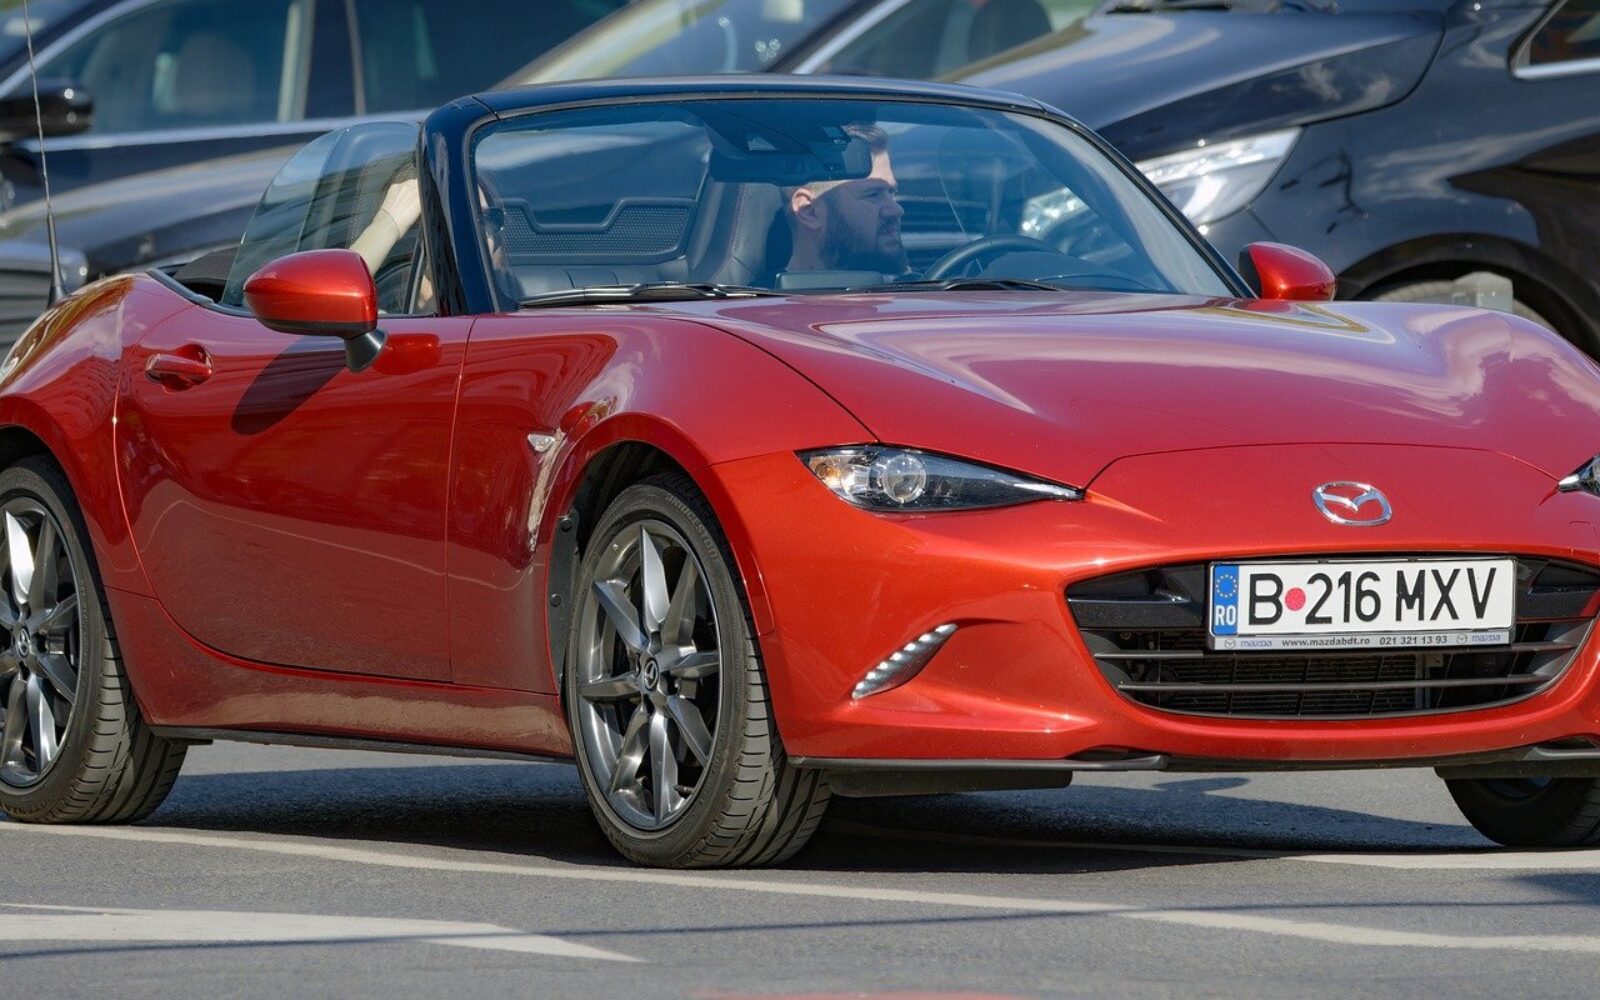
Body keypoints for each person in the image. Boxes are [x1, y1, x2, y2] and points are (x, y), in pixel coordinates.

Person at [783, 122, 908, 278]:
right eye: (873, 194)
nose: (897, 210)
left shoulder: (922, 287)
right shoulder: (761, 293)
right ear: (810, 211)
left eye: (892, 192)